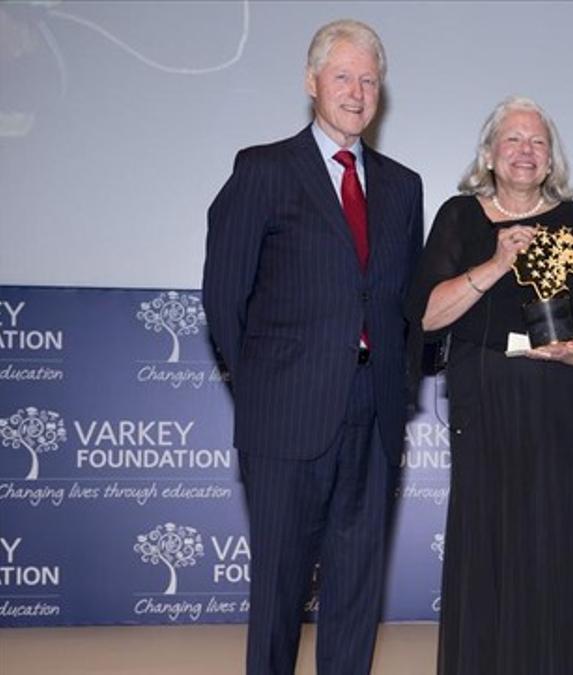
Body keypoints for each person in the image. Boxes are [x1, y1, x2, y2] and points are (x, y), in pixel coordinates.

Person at [202, 19, 423, 675]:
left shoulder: (403, 185)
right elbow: (223, 295)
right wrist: (263, 388)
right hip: (286, 415)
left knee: (356, 594)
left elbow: (406, 301)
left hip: (373, 412)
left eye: (369, 80)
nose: (356, 92)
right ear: (311, 82)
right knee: (279, 589)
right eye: (342, 77)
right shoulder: (265, 169)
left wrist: (399, 386)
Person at [406, 95, 573, 675]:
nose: (525, 152)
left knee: (555, 541)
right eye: (512, 141)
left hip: (558, 400)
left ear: (550, 161)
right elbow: (426, 316)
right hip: (487, 397)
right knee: (488, 542)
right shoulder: (460, 217)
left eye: (537, 143)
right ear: (489, 155)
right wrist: (498, 262)